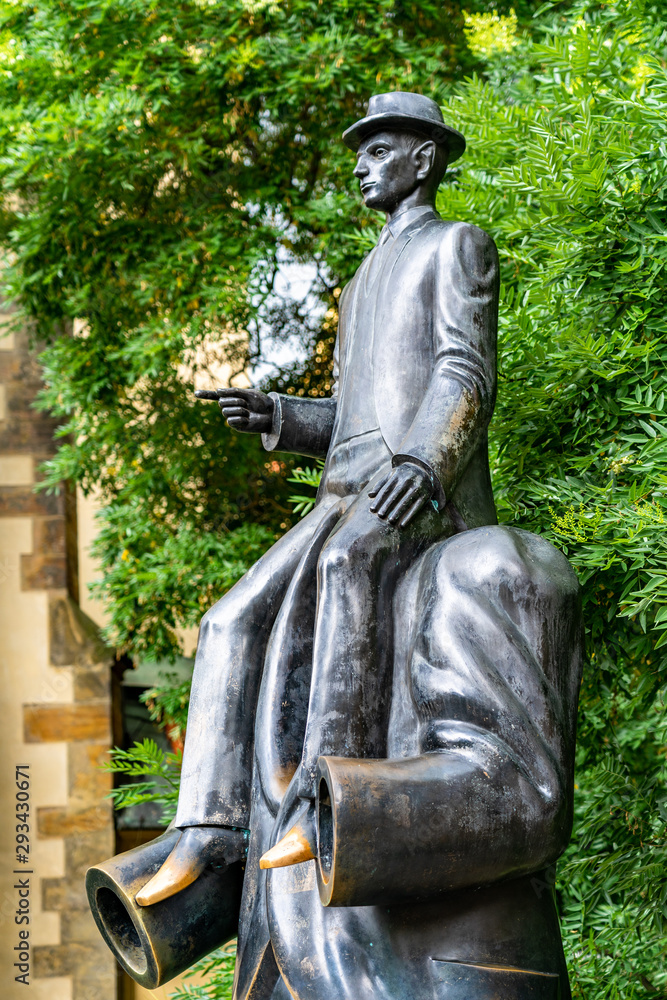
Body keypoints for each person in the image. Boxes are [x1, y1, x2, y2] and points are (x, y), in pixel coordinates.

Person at [135, 93, 582, 1000]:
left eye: (378, 150)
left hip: (415, 494)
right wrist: (280, 418)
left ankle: (319, 798)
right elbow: (352, 415)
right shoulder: (361, 278)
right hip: (343, 491)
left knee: (346, 568)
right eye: (360, 152)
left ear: (423, 160)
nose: (360, 165)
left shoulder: (455, 246)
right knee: (229, 621)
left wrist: (425, 462)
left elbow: (463, 370)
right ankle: (208, 834)